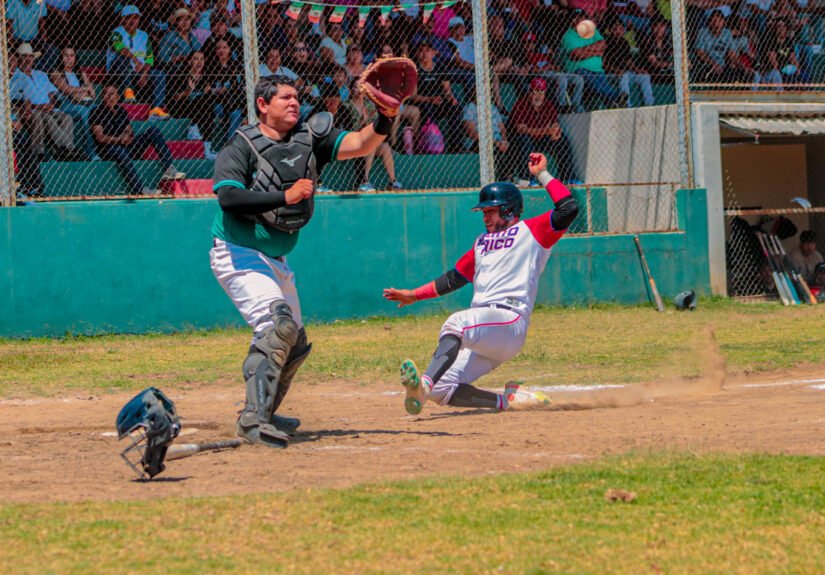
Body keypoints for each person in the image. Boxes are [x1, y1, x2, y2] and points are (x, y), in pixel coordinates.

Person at [209, 74, 402, 448]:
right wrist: (286, 195)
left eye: (297, 96)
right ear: (263, 105)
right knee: (276, 327)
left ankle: (264, 411)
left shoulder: (310, 138)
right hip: (238, 251)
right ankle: (251, 421)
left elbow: (363, 143)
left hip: (276, 258)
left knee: (294, 342)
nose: (295, 102)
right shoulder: (242, 144)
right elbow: (229, 199)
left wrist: (385, 116)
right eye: (285, 97)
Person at [383, 153, 579, 414]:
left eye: (491, 211)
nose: (485, 217)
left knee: (456, 323)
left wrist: (542, 174)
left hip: (508, 320)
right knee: (445, 388)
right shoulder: (481, 243)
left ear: (509, 210)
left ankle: (424, 386)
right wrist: (414, 295)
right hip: (484, 332)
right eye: (483, 212)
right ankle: (507, 402)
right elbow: (454, 278)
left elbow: (568, 209)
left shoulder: (532, 231)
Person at [89, 84, 185, 195]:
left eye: (111, 94)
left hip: (126, 146)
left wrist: (126, 136)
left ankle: (169, 168)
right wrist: (119, 139)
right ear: (101, 96)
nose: (108, 97)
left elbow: (130, 131)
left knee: (153, 131)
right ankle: (140, 189)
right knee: (117, 149)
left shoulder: (121, 111)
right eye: (105, 94)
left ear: (118, 96)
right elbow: (100, 137)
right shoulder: (96, 112)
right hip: (108, 149)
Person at [509, 78, 577, 184]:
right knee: (525, 141)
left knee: (562, 140)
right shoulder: (521, 104)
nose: (538, 96)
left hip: (541, 139)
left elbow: (554, 123)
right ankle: (527, 179)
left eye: (541, 92)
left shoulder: (547, 104)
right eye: (535, 92)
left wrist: (556, 132)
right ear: (530, 92)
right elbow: (521, 129)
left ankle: (568, 177)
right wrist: (545, 130)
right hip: (522, 140)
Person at [14, 43, 75, 159]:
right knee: (45, 117)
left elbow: (51, 93)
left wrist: (51, 104)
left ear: (33, 58)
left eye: (30, 56)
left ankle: (63, 151)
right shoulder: (16, 76)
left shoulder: (41, 74)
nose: (28, 59)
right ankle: (68, 149)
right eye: (24, 56)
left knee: (67, 118)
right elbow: (19, 101)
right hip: (32, 112)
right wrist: (38, 107)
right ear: (18, 58)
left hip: (49, 109)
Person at [106, 5, 169, 116]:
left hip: (138, 72)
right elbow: (120, 49)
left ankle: (156, 109)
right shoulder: (116, 32)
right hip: (117, 73)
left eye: (135, 17)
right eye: (129, 17)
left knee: (160, 75)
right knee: (122, 59)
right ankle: (128, 91)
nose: (132, 20)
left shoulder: (144, 35)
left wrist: (145, 72)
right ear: (122, 19)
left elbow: (150, 57)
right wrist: (135, 60)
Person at [342, 78, 403, 191]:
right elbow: (347, 127)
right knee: (371, 145)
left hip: (367, 139)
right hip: (353, 139)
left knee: (385, 147)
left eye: (362, 88)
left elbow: (374, 125)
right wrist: (363, 123)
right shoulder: (346, 105)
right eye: (356, 87)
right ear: (351, 90)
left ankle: (393, 181)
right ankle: (364, 181)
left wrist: (368, 122)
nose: (359, 90)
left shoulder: (368, 105)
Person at [560, 10, 625, 108]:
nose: (583, 21)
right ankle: (616, 98)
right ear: (573, 20)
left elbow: (603, 44)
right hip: (578, 68)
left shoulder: (591, 30)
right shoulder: (568, 36)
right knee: (597, 84)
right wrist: (596, 52)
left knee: (603, 84)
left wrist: (584, 50)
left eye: (584, 18)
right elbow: (576, 54)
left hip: (597, 68)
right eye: (579, 18)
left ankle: (613, 103)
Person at [50, 46, 98, 161]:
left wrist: (78, 92)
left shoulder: (80, 72)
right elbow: (66, 90)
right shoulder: (56, 73)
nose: (69, 58)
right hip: (66, 105)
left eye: (72, 55)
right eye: (66, 55)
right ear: (61, 57)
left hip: (84, 102)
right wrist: (83, 90)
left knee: (98, 109)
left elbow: (93, 93)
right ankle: (91, 151)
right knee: (85, 112)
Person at [168, 51, 217, 159]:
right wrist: (189, 90)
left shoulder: (206, 76)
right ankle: (204, 144)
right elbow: (175, 97)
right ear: (190, 61)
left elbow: (210, 94)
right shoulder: (182, 74)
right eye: (196, 59)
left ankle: (205, 145)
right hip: (182, 107)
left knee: (206, 104)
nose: (199, 62)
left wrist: (210, 91)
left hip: (201, 109)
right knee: (203, 104)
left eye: (201, 59)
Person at [603, 18, 655, 107]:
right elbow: (603, 63)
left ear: (623, 30)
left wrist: (637, 69)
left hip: (624, 73)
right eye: (615, 29)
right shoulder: (606, 42)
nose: (618, 31)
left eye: (620, 29)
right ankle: (627, 105)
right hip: (610, 74)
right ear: (610, 30)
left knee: (645, 76)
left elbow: (628, 60)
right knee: (624, 76)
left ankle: (649, 104)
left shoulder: (624, 42)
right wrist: (615, 70)